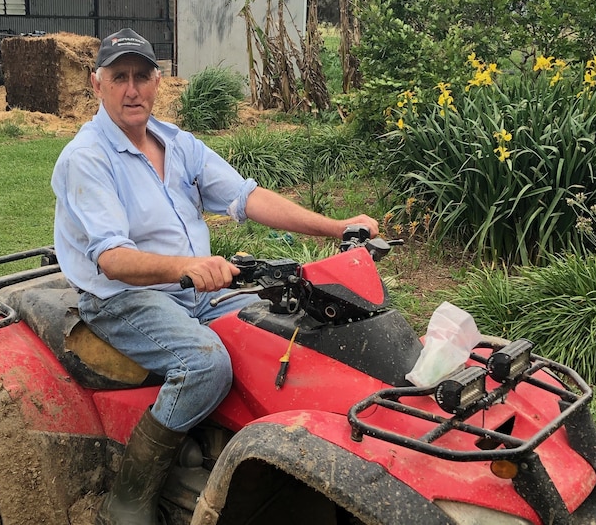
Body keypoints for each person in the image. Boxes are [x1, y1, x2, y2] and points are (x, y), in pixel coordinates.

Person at [51, 28, 379, 525]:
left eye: (142, 76)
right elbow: (113, 259)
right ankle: (128, 498)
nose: (132, 89)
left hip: (197, 293)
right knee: (206, 365)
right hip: (122, 298)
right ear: (98, 85)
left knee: (286, 331)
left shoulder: (178, 145)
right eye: (119, 77)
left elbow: (247, 197)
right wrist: (186, 267)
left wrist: (337, 227)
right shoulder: (86, 158)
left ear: (158, 83)